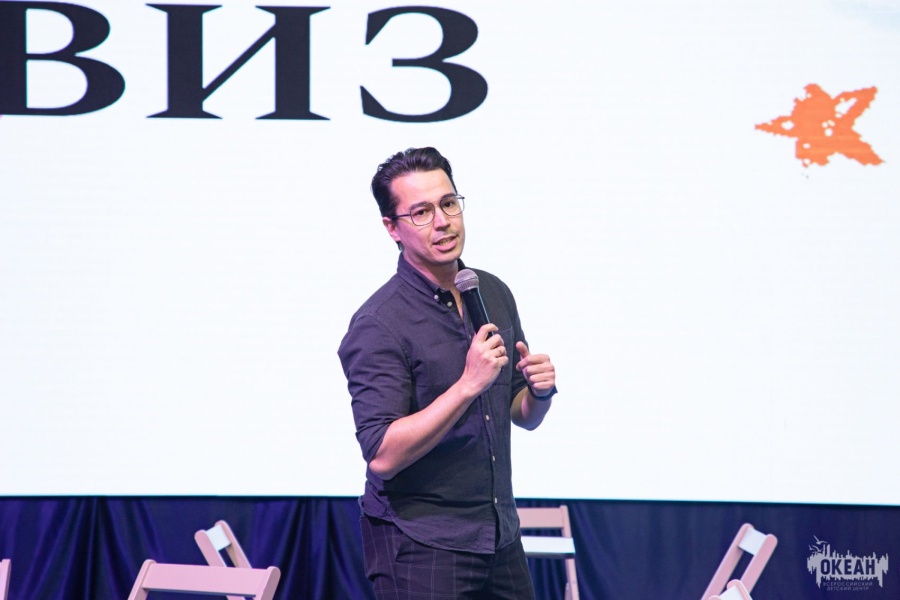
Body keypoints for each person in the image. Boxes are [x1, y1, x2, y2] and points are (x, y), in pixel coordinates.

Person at [338, 147, 558, 599]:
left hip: (499, 534)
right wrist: (467, 386)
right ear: (392, 228)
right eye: (421, 212)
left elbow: (521, 413)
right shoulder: (379, 323)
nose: (442, 222)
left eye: (448, 203)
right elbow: (382, 455)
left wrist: (539, 393)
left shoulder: (491, 290)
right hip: (421, 544)